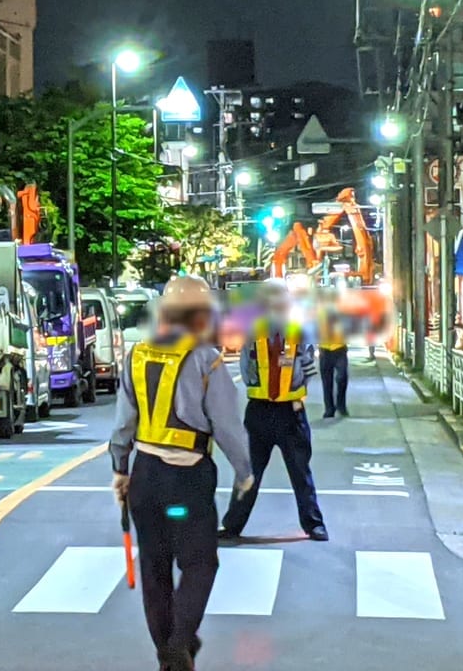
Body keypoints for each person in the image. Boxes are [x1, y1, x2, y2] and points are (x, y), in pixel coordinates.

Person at [111, 275, 254, 671]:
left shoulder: (137, 355)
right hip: (188, 477)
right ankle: (178, 644)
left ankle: (167, 655)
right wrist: (244, 471)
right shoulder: (205, 359)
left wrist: (120, 469)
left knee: (155, 568)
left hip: (145, 475)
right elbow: (226, 424)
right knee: (199, 563)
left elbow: (124, 423)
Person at [219, 279, 328, 541]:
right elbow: (246, 367)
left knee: (300, 471)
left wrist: (297, 388)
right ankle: (233, 524)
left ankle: (313, 524)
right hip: (259, 411)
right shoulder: (252, 330)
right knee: (248, 472)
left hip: (290, 411)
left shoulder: (298, 329)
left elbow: (308, 363)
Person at [316, 289, 350, 418]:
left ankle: (341, 405)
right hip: (325, 350)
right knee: (327, 381)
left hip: (340, 348)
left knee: (342, 377)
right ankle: (329, 408)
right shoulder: (319, 313)